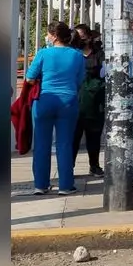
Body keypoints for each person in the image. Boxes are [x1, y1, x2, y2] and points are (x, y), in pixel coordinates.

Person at [25, 21, 86, 195]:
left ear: (54, 36)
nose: (47, 37)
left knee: (42, 144)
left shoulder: (43, 53)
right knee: (65, 144)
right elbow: (80, 80)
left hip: (44, 100)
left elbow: (29, 78)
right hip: (68, 101)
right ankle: (66, 185)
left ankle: (41, 185)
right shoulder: (77, 55)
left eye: (49, 34)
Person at [71, 25, 104, 178]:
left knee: (94, 135)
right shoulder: (73, 54)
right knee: (74, 137)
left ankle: (94, 165)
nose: (81, 40)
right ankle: (69, 166)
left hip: (95, 101)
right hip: (76, 99)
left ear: (90, 38)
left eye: (83, 37)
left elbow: (105, 73)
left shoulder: (99, 54)